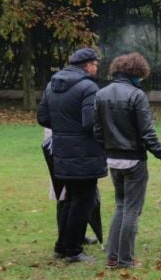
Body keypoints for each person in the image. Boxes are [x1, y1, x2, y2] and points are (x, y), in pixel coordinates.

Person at [93, 52, 161, 269]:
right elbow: (147, 134)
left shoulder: (101, 94)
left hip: (113, 161)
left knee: (121, 207)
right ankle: (125, 260)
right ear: (137, 71)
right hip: (133, 162)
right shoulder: (136, 95)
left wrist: (109, 150)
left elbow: (97, 132)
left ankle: (112, 258)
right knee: (131, 210)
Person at [37, 47, 107, 263]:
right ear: (87, 65)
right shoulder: (88, 87)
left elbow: (43, 117)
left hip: (60, 152)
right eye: (95, 64)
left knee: (68, 199)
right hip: (84, 154)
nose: (96, 68)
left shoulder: (52, 85)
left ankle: (61, 246)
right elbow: (89, 123)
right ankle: (74, 251)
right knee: (83, 201)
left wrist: (64, 131)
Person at [41, 128, 103, 249]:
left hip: (67, 144)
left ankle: (75, 236)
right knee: (66, 196)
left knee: (73, 196)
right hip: (63, 145)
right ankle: (66, 241)